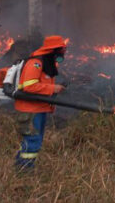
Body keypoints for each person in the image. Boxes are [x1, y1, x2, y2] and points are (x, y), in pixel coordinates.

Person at [14, 35, 68, 169]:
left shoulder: (47, 63)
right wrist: (53, 88)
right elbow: (29, 86)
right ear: (53, 50)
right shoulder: (36, 63)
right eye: (61, 49)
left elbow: (42, 87)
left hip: (39, 109)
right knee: (33, 141)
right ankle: (24, 171)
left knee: (33, 140)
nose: (63, 53)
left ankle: (20, 166)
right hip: (31, 111)